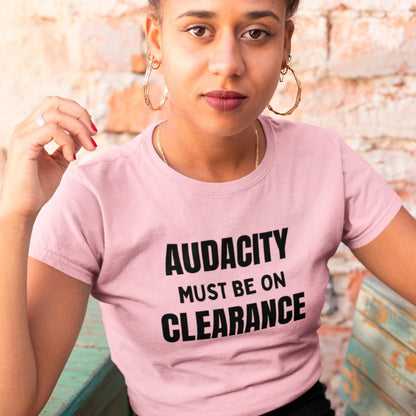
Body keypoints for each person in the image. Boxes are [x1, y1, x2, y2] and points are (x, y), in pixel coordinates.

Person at [0, 0, 415, 415]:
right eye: (199, 30)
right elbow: (16, 405)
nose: (228, 64)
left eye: (256, 33)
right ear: (157, 40)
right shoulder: (97, 196)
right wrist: (13, 218)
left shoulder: (325, 162)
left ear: (285, 45)